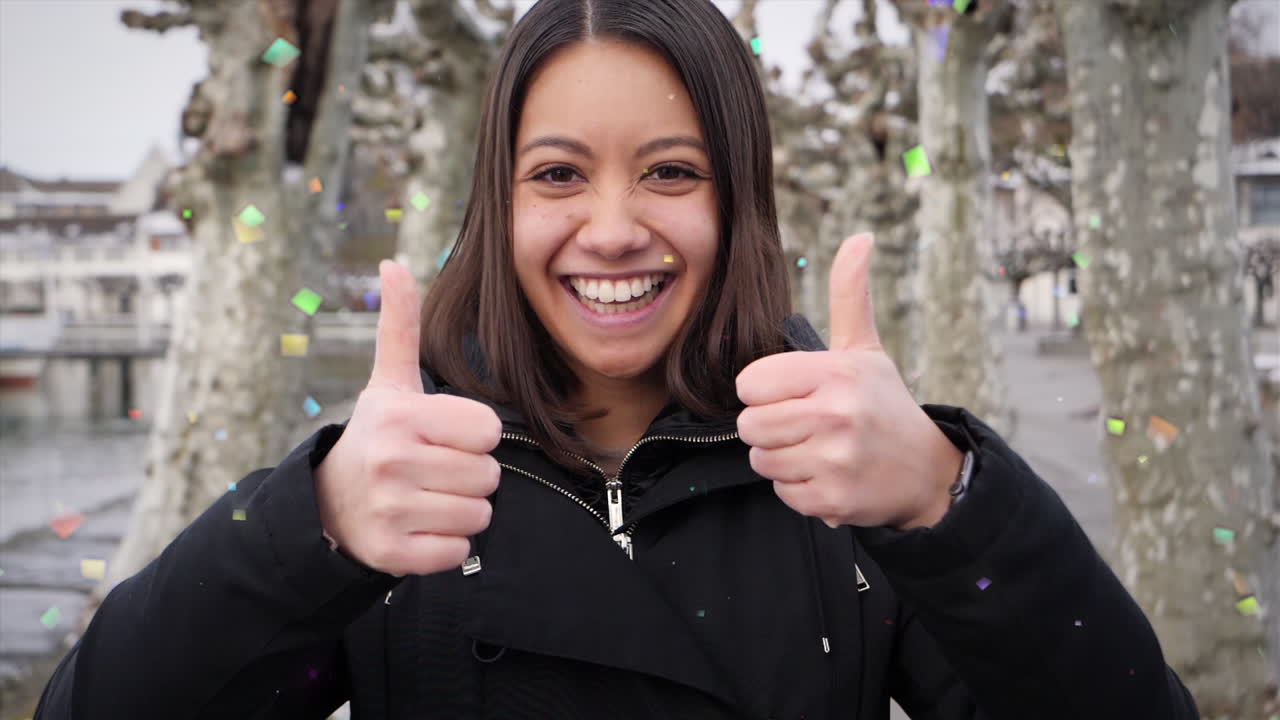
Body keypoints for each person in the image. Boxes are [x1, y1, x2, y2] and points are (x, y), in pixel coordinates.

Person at [36, 0, 1200, 717]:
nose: (609, 228)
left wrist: (950, 500)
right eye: (556, 175)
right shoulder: (401, 480)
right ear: (497, 202)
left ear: (738, 201)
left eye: (670, 172)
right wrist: (310, 524)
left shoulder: (847, 478)